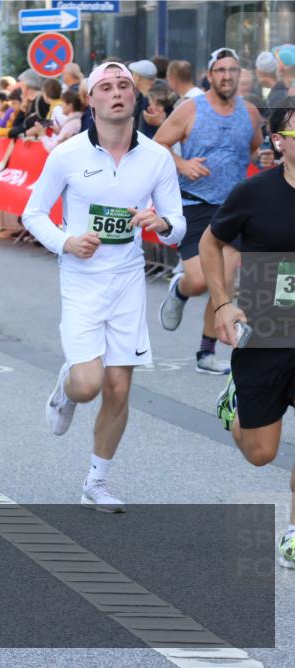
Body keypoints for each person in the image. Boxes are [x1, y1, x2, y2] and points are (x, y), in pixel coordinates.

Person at [22, 62, 185, 512]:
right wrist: (66, 242)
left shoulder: (156, 158)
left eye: (123, 86)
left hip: (128, 279)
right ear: (91, 100)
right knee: (88, 384)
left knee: (118, 388)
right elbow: (33, 213)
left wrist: (162, 223)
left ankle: (96, 481)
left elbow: (178, 224)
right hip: (82, 280)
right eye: (106, 87)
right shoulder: (67, 154)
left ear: (135, 97)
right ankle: (67, 387)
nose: (116, 93)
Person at [201, 97, 295, 570]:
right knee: (261, 453)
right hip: (268, 330)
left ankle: (294, 531)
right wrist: (222, 303)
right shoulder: (254, 193)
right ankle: (235, 401)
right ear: (279, 142)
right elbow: (210, 241)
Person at [155, 48, 263, 374]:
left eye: (233, 70)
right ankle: (180, 290)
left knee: (225, 280)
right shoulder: (191, 109)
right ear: (210, 75)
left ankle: (206, 352)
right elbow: (157, 145)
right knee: (201, 280)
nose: (227, 76)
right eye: (221, 70)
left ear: (239, 75)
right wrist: (182, 163)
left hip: (233, 207)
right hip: (194, 204)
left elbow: (254, 148)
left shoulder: (250, 113)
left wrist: (263, 160)